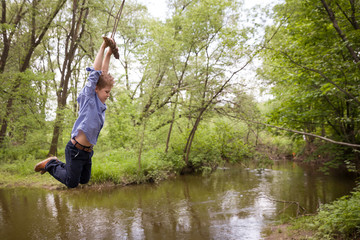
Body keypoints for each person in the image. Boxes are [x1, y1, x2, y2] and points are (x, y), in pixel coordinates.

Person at [34, 37, 116, 188]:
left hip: (87, 152)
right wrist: (103, 46)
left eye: (109, 92)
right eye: (106, 92)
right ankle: (51, 164)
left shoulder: (100, 104)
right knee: (72, 183)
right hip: (75, 150)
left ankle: (57, 163)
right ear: (96, 89)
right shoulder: (89, 100)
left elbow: (103, 75)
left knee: (84, 180)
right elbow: (96, 74)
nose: (108, 95)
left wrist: (109, 54)